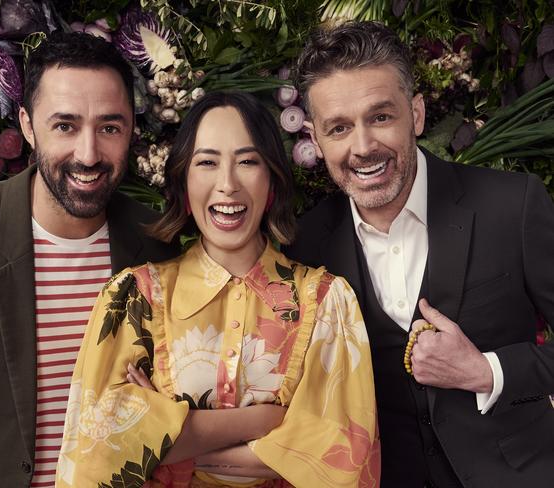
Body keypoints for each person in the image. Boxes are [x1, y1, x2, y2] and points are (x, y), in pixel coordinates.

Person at [55, 91, 380, 487]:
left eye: (247, 162)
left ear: (272, 181)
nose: (227, 184)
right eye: (207, 162)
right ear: (184, 182)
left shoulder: (327, 302)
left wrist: (170, 436)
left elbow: (345, 459)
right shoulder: (134, 299)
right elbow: (96, 451)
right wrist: (264, 422)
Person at [284, 20, 554, 488]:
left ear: (418, 114)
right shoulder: (304, 247)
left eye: (381, 117)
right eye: (339, 128)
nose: (363, 146)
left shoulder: (513, 205)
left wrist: (488, 371)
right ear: (315, 137)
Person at [0, 32, 177, 487]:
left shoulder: (160, 245)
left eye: (109, 127)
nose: (88, 154)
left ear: (131, 128)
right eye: (65, 126)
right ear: (28, 126)